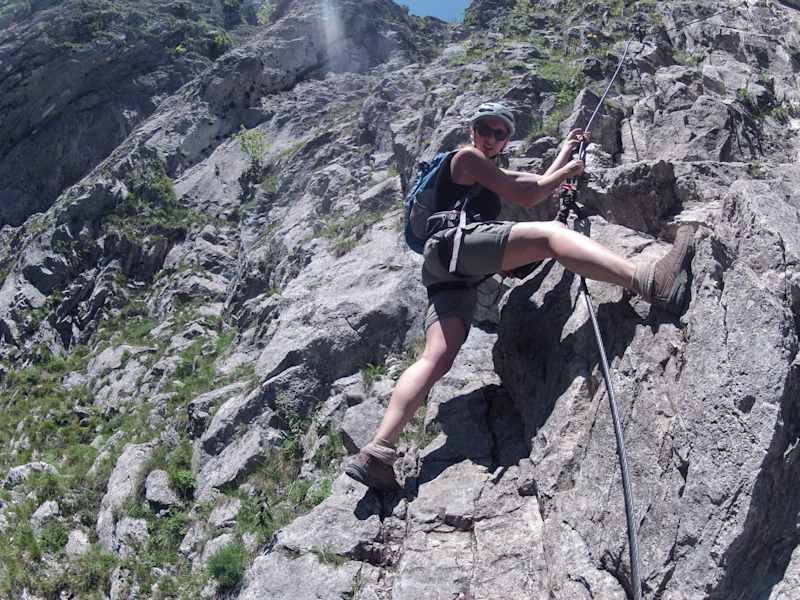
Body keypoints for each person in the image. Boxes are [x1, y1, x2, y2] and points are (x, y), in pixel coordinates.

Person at [345, 101, 695, 492]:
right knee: (550, 235)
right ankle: (650, 281)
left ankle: (378, 451)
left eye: (500, 133)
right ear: (473, 131)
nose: (492, 138)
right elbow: (527, 194)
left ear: (506, 139)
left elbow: (531, 182)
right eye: (486, 130)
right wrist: (570, 170)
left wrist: (564, 151)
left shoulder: (481, 171)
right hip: (456, 248)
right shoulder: (466, 158)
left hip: (447, 269)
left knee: (438, 355)